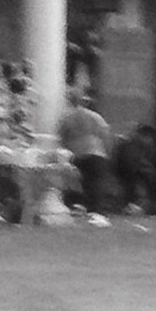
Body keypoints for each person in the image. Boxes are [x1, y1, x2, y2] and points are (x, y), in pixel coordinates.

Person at [57, 93, 113, 224]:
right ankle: (97, 211)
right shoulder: (95, 117)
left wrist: (68, 152)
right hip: (96, 152)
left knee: (77, 183)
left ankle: (78, 205)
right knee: (96, 183)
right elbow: (105, 134)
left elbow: (62, 137)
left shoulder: (67, 118)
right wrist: (107, 152)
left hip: (77, 154)